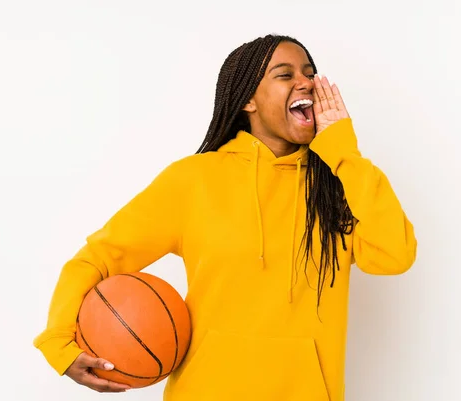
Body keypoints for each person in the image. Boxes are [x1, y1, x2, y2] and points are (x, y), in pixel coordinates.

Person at [33, 34, 417, 401]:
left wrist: (342, 152)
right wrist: (58, 343)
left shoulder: (336, 186)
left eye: (310, 73)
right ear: (248, 99)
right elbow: (100, 256)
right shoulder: (192, 180)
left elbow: (395, 256)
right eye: (286, 75)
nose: (307, 83)